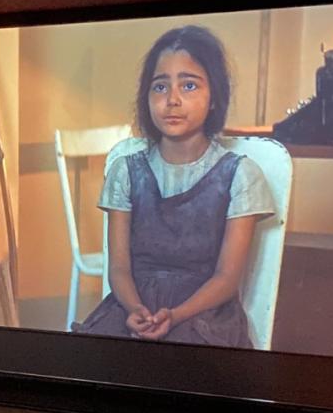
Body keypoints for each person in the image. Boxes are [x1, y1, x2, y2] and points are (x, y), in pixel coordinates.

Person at [72, 26, 275, 346]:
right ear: (146, 97)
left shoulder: (240, 175)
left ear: (214, 97)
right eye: (160, 86)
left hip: (203, 315)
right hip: (132, 306)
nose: (172, 100)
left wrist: (176, 316)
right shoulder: (126, 171)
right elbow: (119, 268)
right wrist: (135, 309)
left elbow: (227, 278)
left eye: (189, 85)